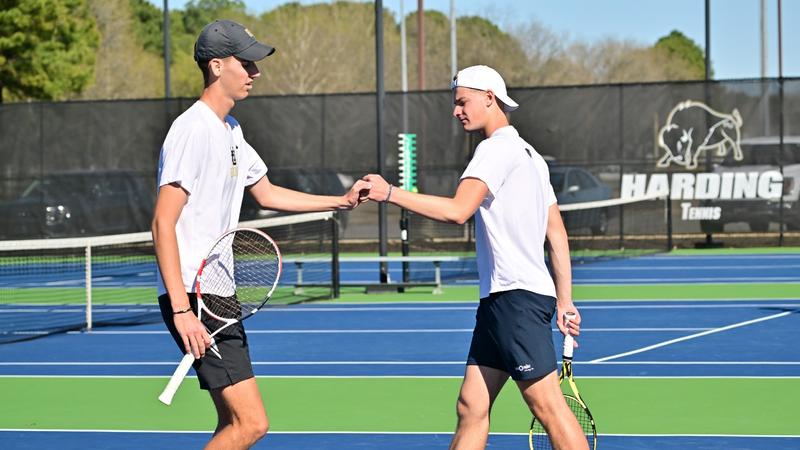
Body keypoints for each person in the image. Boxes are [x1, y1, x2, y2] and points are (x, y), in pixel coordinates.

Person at [151, 19, 370, 449]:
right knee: (252, 424)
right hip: (197, 296)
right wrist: (182, 310)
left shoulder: (231, 130)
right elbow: (163, 222)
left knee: (231, 423)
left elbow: (266, 192)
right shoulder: (191, 129)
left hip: (218, 292)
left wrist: (340, 202)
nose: (255, 72)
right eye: (246, 63)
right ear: (216, 66)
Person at [362, 65, 588, 450]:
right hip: (505, 300)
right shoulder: (532, 155)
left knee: (547, 405)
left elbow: (457, 211)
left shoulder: (496, 149)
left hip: (515, 300)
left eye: (462, 102)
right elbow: (558, 233)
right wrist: (564, 300)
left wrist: (390, 193)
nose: (456, 111)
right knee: (471, 405)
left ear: (489, 97)